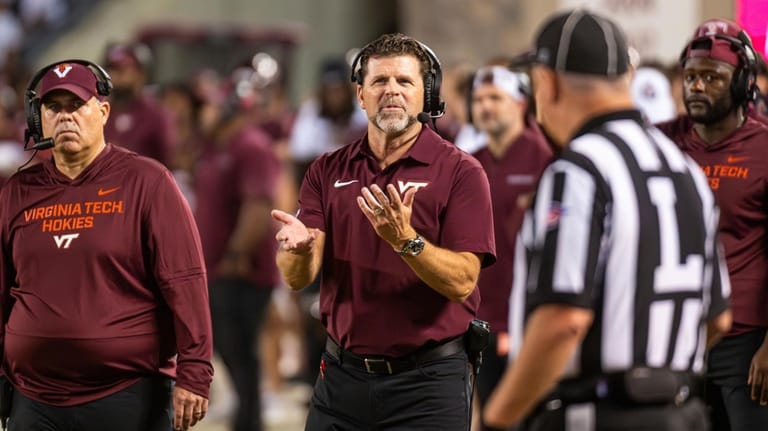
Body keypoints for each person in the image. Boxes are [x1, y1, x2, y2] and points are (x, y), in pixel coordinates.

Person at [483, 10, 732, 430]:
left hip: (596, 413)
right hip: (681, 412)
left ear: (547, 82)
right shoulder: (685, 169)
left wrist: (498, 419)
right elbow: (718, 317)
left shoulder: (578, 169)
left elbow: (563, 320)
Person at [271, 33, 496, 430]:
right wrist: (300, 251)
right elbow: (296, 278)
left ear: (426, 95)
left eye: (404, 81)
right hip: (340, 378)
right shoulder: (327, 169)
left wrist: (406, 242)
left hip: (427, 384)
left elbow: (463, 281)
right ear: (361, 95)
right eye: (379, 81)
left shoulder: (461, 172)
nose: (391, 90)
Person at [0, 60, 213, 431]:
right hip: (33, 397)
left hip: (127, 394)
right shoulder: (17, 191)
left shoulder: (148, 182)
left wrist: (195, 373)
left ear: (103, 112)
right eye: (53, 108)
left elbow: (185, 282)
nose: (65, 117)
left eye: (76, 105)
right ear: (38, 119)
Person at [656, 18, 768, 431]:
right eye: (690, 77)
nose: (697, 87)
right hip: (677, 335)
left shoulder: (764, 146)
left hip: (747, 340)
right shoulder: (659, 143)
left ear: (743, 83)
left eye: (712, 77)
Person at [194, 65, 282, 431]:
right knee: (231, 350)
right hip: (219, 267)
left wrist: (236, 255)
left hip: (241, 271)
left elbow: (259, 205)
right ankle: (246, 417)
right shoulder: (217, 147)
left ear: (231, 106)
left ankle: (250, 421)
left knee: (241, 351)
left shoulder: (251, 145)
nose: (205, 113)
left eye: (213, 106)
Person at [467, 65, 553, 431]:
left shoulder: (546, 158)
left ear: (520, 103)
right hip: (483, 316)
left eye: (495, 98)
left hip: (530, 317)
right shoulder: (470, 163)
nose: (485, 107)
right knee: (491, 415)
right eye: (478, 100)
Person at [103, 42, 177, 167]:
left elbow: (168, 161)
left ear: (141, 74)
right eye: (111, 69)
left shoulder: (156, 114)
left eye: (122, 70)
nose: (115, 76)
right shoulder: (99, 112)